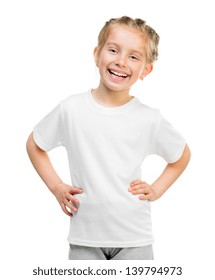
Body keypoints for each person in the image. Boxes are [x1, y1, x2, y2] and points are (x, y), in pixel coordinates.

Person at [26, 16, 191, 260]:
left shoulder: (149, 119)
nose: (121, 61)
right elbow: (35, 144)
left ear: (146, 69)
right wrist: (56, 187)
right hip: (84, 240)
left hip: (135, 240)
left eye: (134, 57)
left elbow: (181, 155)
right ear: (97, 54)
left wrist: (157, 189)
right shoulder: (71, 109)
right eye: (113, 50)